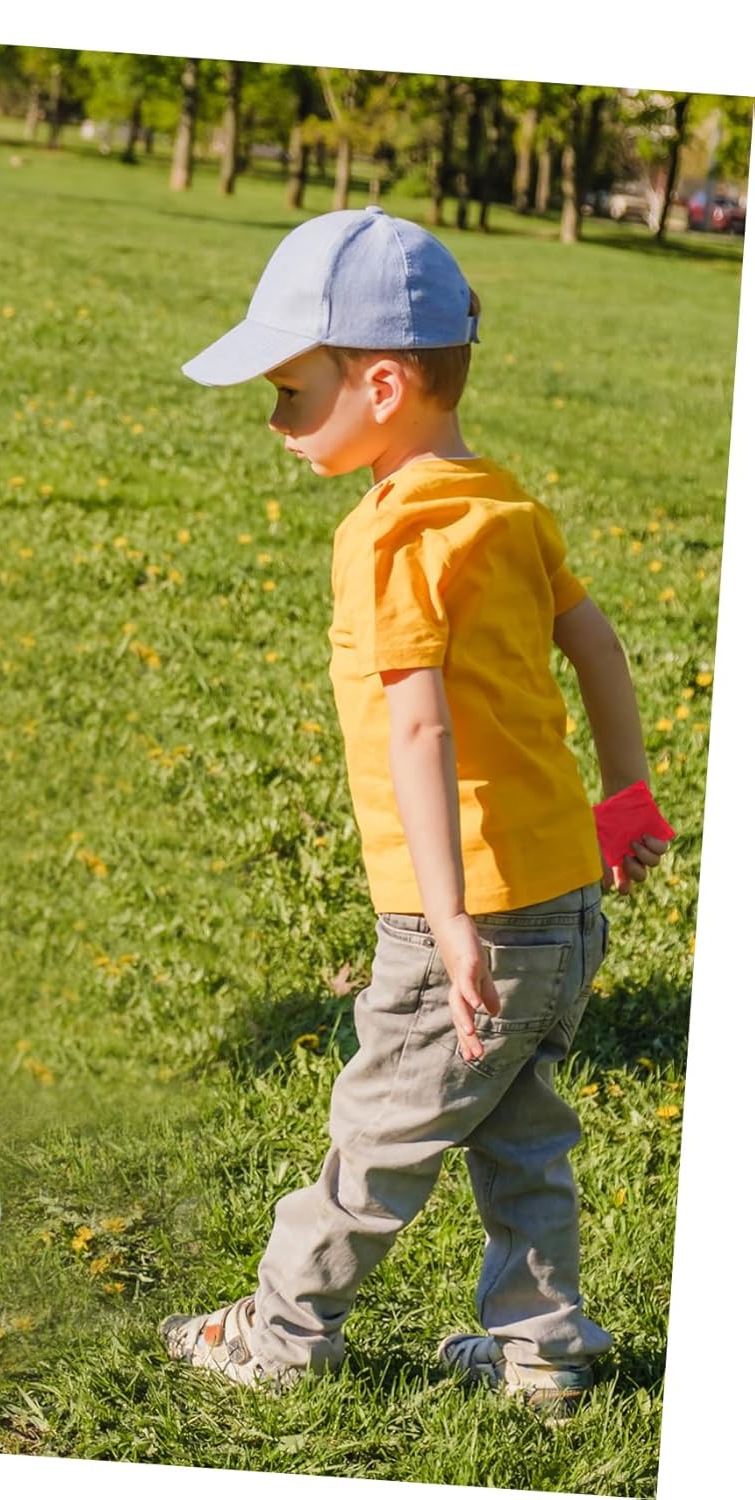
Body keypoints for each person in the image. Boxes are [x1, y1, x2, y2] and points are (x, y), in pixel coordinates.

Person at [160, 207, 669, 1420]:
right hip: (561, 899)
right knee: (523, 1136)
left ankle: (282, 1336)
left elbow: (421, 730)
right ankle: (544, 1354)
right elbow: (598, 648)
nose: (277, 423)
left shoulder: (392, 537)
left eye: (291, 393)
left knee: (379, 1133)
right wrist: (628, 794)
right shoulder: (505, 505)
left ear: (380, 384)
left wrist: (444, 921)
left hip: (469, 918)